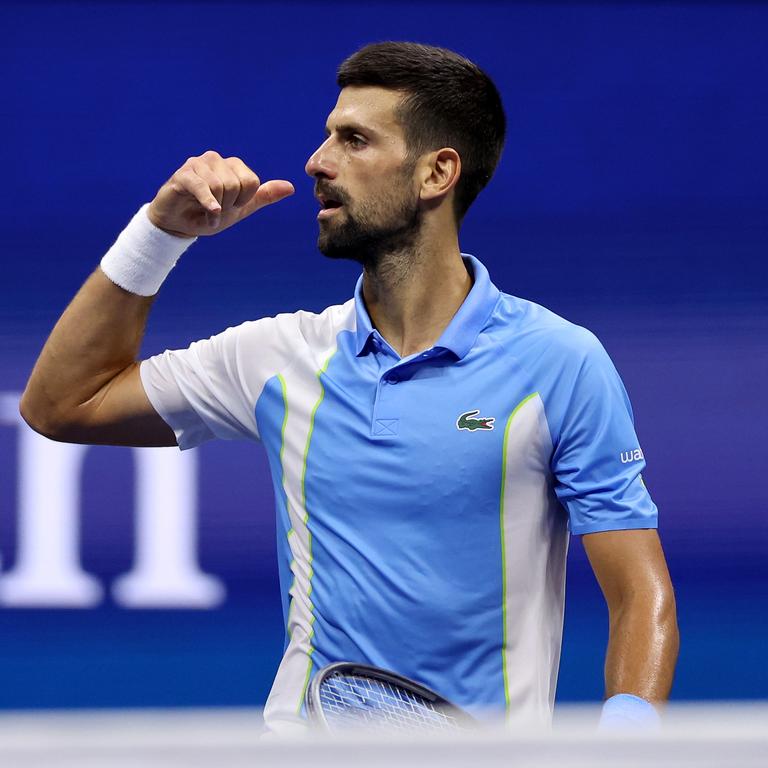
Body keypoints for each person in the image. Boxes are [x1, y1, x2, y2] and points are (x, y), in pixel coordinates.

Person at [20, 42, 678, 733]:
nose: (317, 161)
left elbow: (640, 593)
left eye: (354, 140)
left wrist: (623, 747)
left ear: (437, 172)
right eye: (329, 134)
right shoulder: (277, 357)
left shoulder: (560, 364)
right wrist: (159, 234)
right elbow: (63, 403)